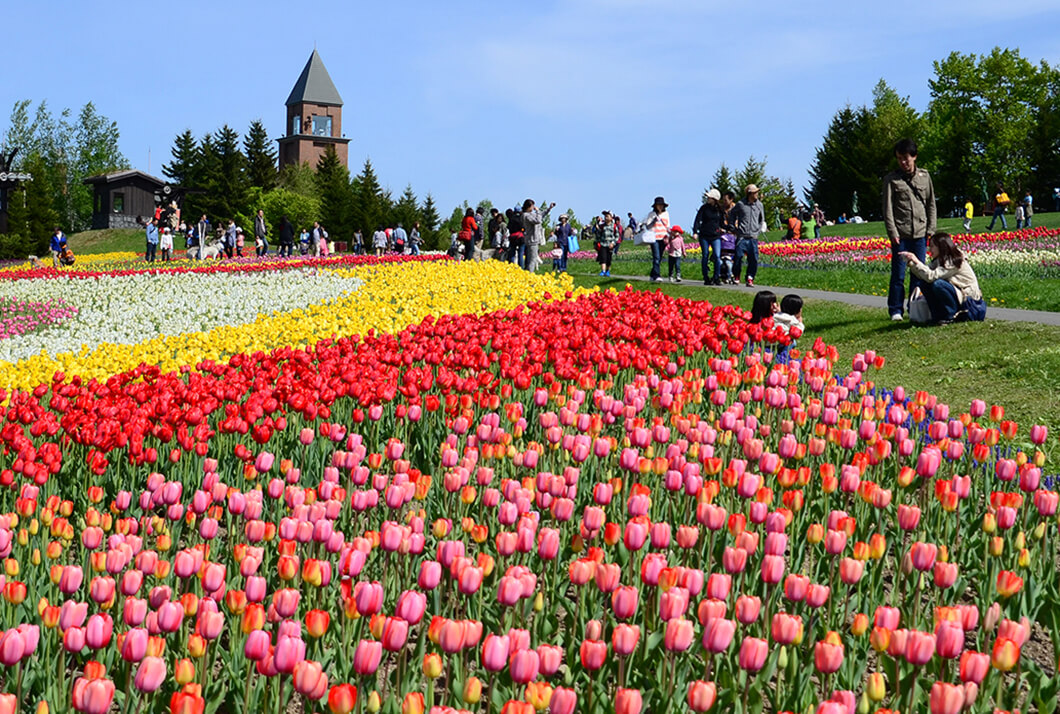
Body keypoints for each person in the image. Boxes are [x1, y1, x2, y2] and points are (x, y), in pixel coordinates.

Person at [882, 138, 936, 321]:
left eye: (906, 158)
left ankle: (914, 308)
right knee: (898, 275)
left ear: (914, 157)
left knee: (918, 273)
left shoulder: (925, 177)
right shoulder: (891, 180)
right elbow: (887, 209)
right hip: (901, 234)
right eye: (899, 158)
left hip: (920, 233)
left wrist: (931, 228)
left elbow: (931, 204)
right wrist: (892, 233)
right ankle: (895, 309)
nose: (903, 162)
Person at [899, 232, 985, 324]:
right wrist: (912, 263)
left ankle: (950, 315)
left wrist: (916, 260)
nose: (930, 249)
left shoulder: (954, 260)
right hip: (957, 292)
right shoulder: (940, 259)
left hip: (967, 297)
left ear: (940, 246)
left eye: (932, 246)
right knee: (924, 283)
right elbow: (925, 273)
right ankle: (937, 316)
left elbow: (931, 276)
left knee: (938, 284)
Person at [730, 185, 765, 287]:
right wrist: (733, 228)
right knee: (738, 257)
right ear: (750, 193)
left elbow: (761, 219)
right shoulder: (741, 204)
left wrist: (758, 230)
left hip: (753, 237)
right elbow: (732, 214)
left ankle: (750, 277)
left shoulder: (759, 205)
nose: (757, 194)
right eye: (755, 193)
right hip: (742, 236)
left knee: (753, 259)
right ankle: (736, 275)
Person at [692, 189, 726, 285]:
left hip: (715, 236)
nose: (707, 198)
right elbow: (698, 220)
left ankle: (716, 277)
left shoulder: (720, 210)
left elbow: (722, 223)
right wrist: (695, 231)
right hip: (704, 235)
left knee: (717, 256)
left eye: (709, 197)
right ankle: (706, 277)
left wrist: (727, 228)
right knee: (705, 255)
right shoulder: (704, 208)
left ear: (714, 199)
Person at [640, 196, 670, 282]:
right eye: (658, 205)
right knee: (656, 257)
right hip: (654, 238)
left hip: (663, 237)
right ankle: (657, 275)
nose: (660, 207)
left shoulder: (666, 214)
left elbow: (667, 226)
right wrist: (654, 221)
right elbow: (648, 226)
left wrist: (668, 236)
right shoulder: (651, 214)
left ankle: (652, 274)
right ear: (655, 206)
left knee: (659, 257)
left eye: (661, 205)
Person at [522, 199, 554, 271]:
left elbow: (541, 215)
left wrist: (549, 208)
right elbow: (538, 220)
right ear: (528, 206)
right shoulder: (526, 215)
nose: (533, 207)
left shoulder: (531, 214)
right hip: (531, 240)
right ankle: (530, 274)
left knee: (530, 259)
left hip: (533, 240)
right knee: (532, 259)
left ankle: (528, 273)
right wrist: (538, 211)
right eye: (532, 206)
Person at [596, 212, 619, 276]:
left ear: (611, 218)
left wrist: (613, 243)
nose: (606, 217)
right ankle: (603, 271)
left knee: (609, 259)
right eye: (605, 216)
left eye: (607, 216)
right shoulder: (602, 226)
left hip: (610, 245)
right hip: (603, 244)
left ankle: (607, 271)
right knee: (603, 258)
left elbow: (617, 236)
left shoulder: (614, 226)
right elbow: (599, 235)